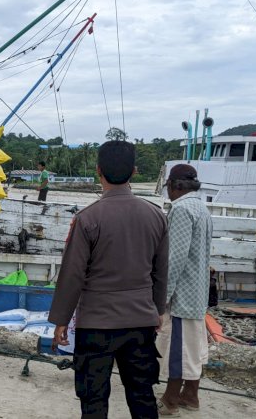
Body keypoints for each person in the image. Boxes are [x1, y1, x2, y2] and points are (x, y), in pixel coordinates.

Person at [49, 140, 169, 419]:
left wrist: (61, 321)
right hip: (140, 320)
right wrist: (157, 310)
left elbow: (72, 275)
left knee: (93, 398)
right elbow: (161, 272)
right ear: (135, 171)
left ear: (98, 171)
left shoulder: (88, 218)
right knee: (142, 396)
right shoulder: (156, 216)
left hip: (97, 324)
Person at [155, 164, 213, 416]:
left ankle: (170, 400)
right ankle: (190, 395)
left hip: (182, 296)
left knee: (178, 351)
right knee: (194, 346)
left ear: (176, 186)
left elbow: (174, 259)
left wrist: (161, 298)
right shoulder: (201, 207)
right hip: (197, 292)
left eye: (168, 185)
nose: (168, 191)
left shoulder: (180, 209)